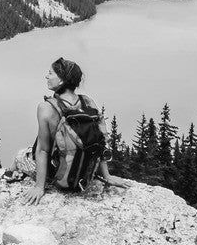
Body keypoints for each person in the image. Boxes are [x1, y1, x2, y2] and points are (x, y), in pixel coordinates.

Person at [18, 57, 127, 204]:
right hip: (84, 174)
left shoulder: (46, 108)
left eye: (50, 73)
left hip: (56, 173)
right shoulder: (88, 102)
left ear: (61, 80)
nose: (46, 76)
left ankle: (11, 172)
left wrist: (39, 187)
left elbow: (43, 150)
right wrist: (107, 176)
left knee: (20, 156)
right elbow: (99, 142)